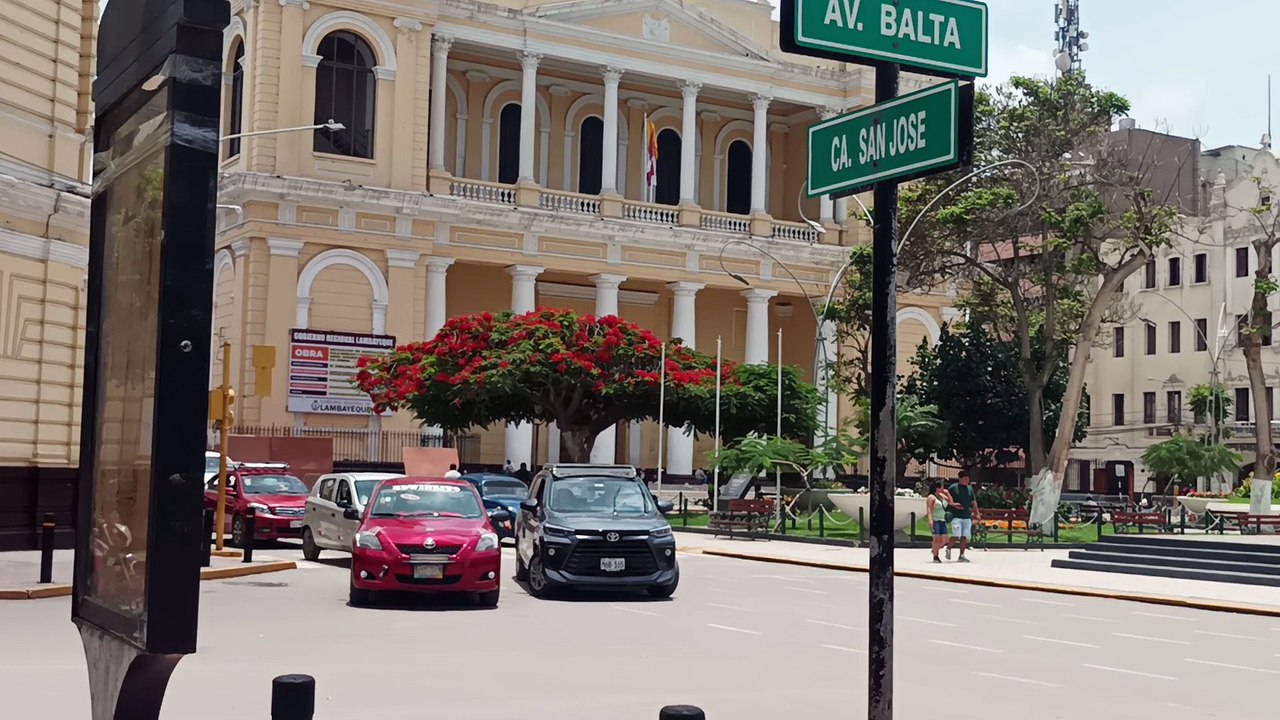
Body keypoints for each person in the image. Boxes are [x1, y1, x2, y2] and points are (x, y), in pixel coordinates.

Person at [946, 470, 980, 562]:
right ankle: (948, 548)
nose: (966, 480)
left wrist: (977, 513)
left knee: (964, 536)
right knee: (956, 535)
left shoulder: (970, 489)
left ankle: (961, 555)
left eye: (967, 479)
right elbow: (946, 497)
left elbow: (973, 502)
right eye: (964, 479)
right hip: (956, 516)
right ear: (959, 479)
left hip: (966, 516)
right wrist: (952, 504)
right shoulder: (953, 488)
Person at [926, 481, 951, 563]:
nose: (943, 489)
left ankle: (934, 549)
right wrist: (930, 520)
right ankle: (936, 556)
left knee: (945, 540)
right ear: (937, 488)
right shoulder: (931, 497)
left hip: (943, 520)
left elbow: (950, 502)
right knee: (937, 539)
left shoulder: (942, 496)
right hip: (935, 520)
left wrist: (947, 493)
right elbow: (929, 509)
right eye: (941, 487)